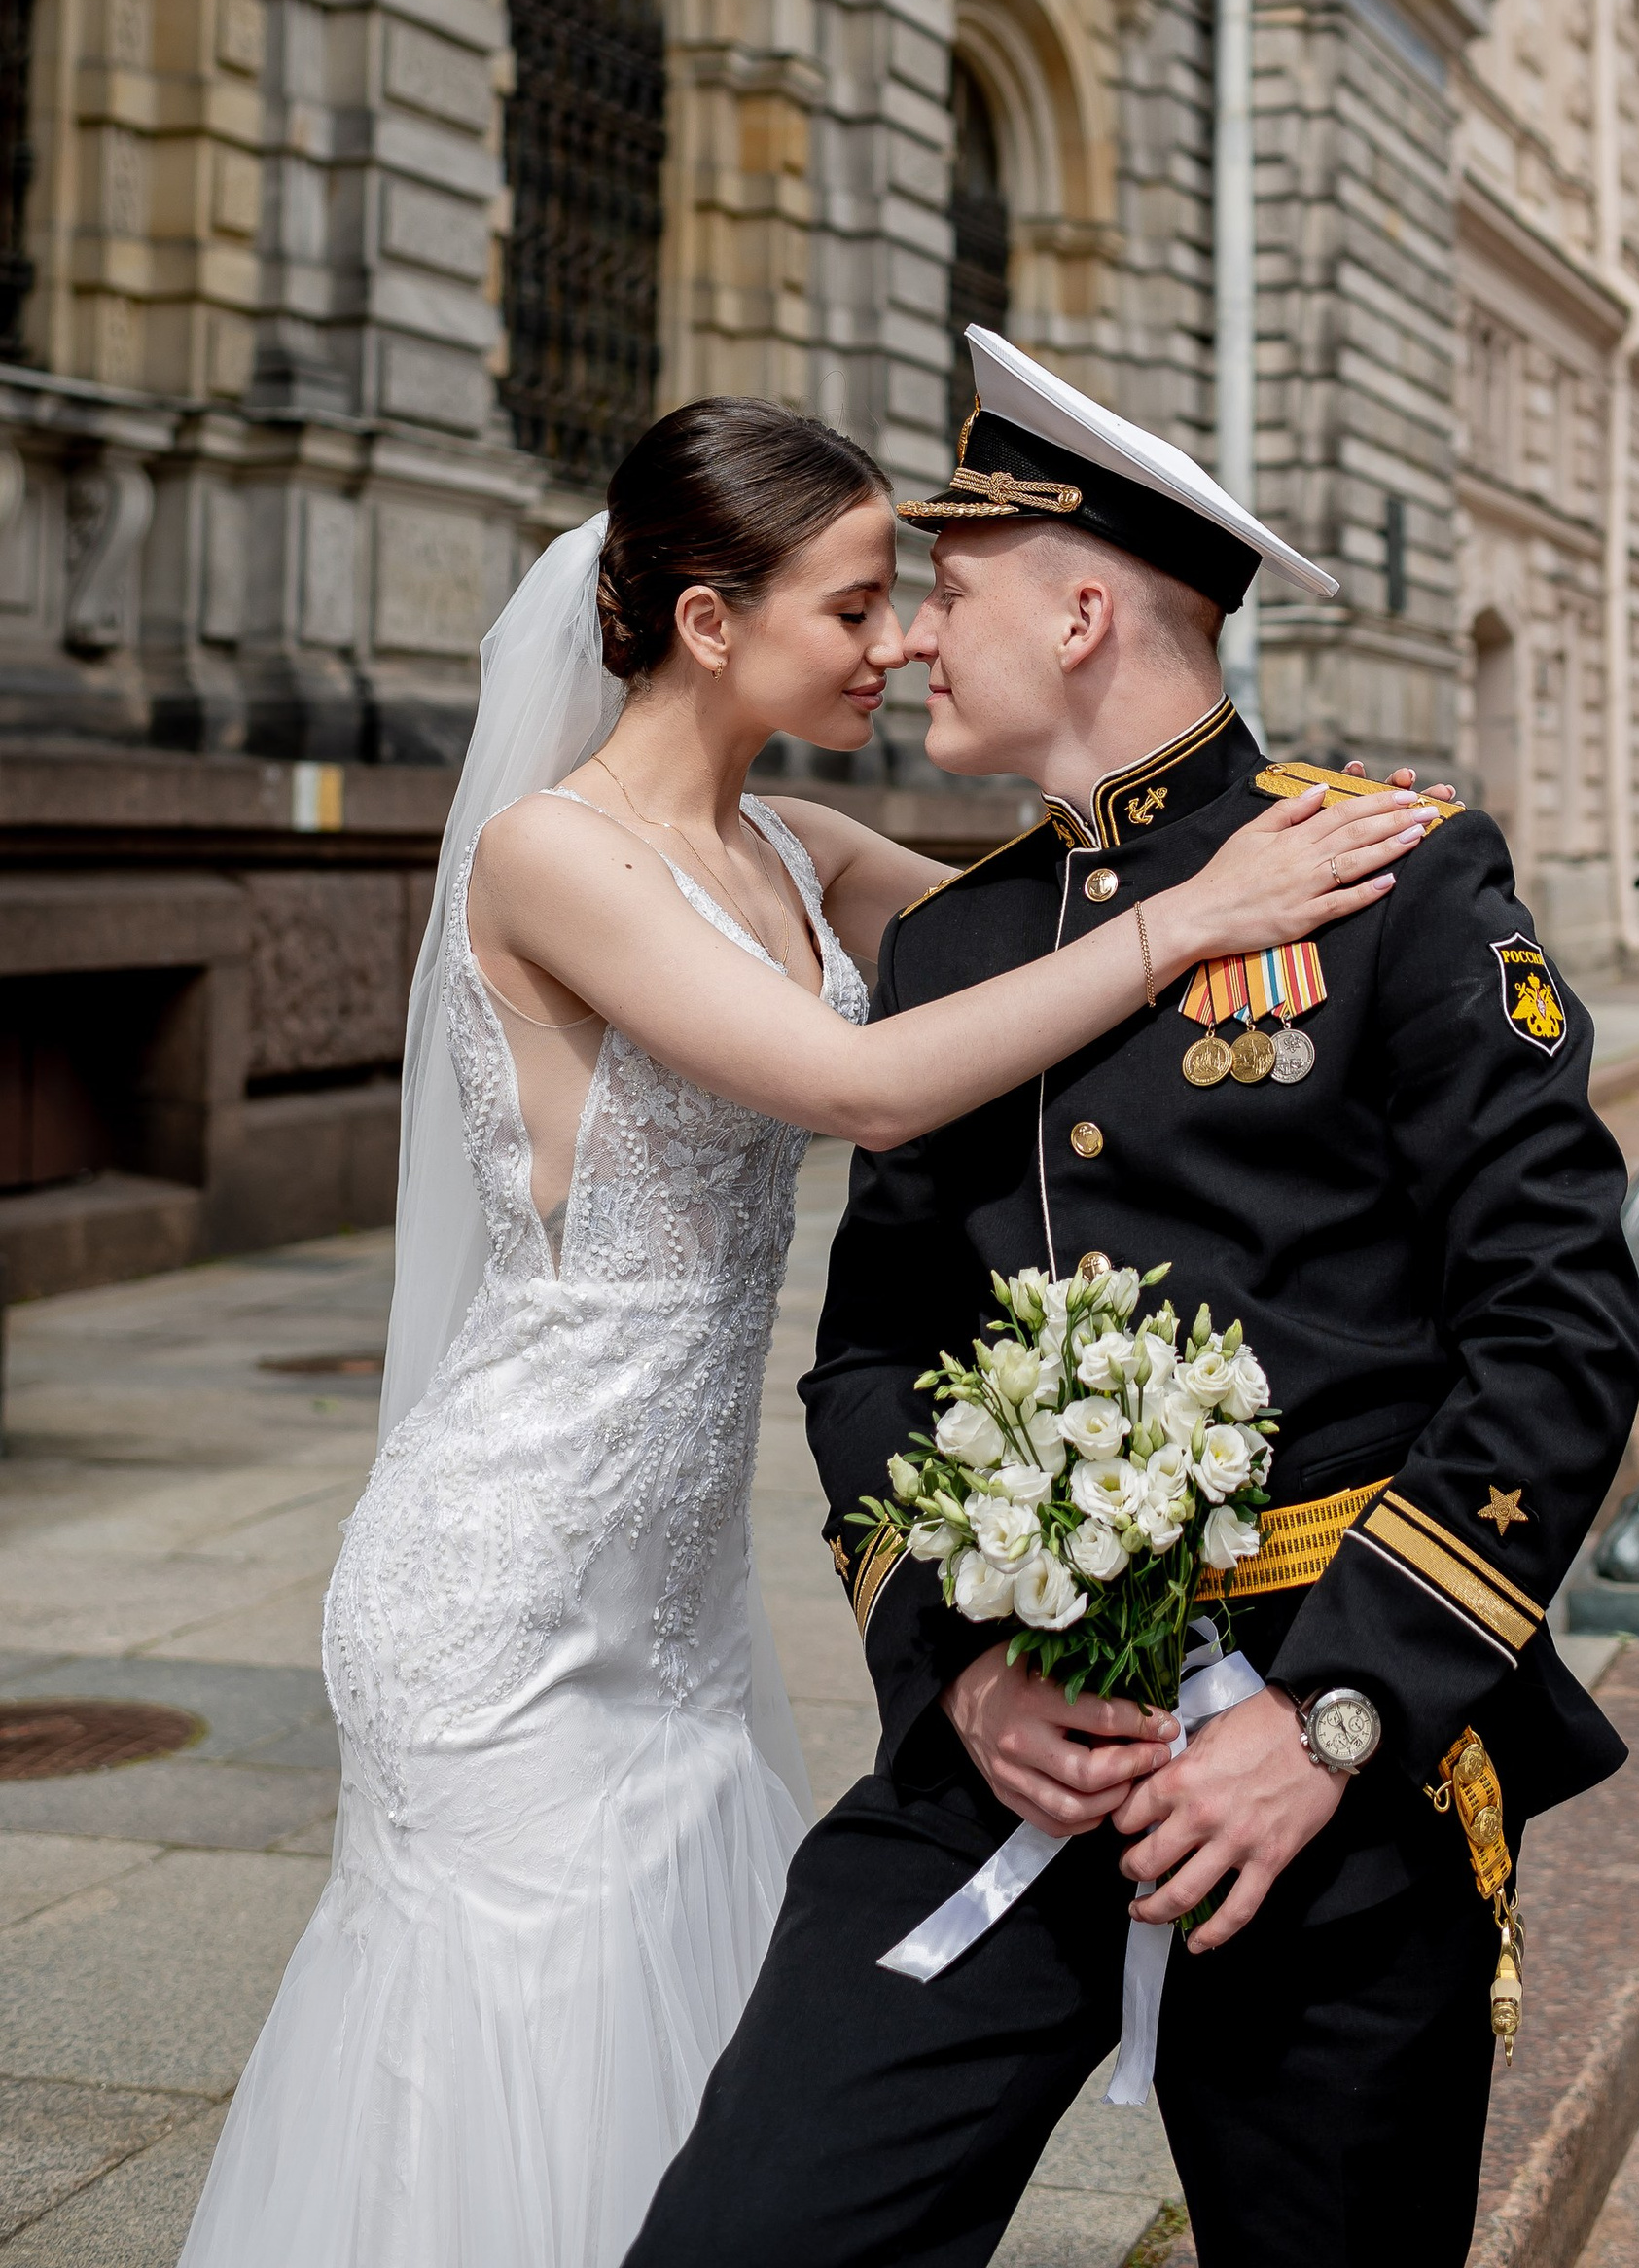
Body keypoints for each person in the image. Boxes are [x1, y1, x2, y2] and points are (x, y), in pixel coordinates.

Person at [180, 399, 1420, 2268]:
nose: (899, 640)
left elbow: (1043, 942)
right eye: (854, 605)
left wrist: (1278, 852)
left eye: (907, 600)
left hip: (674, 1599)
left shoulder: (798, 841)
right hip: (505, 1581)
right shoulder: (549, 856)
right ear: (707, 622)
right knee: (496, 2075)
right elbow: (868, 1081)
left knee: (687, 2081)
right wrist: (1191, 917)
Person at [628, 330, 1639, 2268]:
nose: (917, 637)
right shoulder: (958, 944)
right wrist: (963, 1669)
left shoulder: (1394, 876)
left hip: (1327, 1765)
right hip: (1012, 1741)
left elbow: (1557, 1327)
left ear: (1082, 612)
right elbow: (873, 1357)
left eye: (951, 591)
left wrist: (1336, 1711)